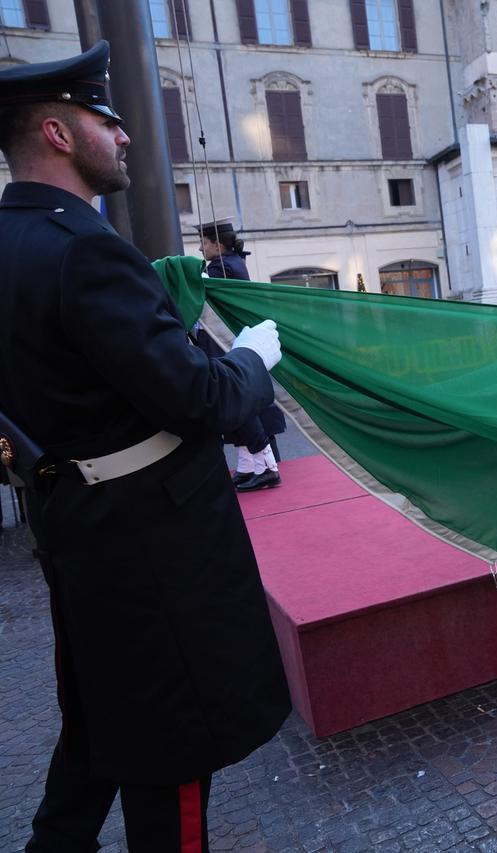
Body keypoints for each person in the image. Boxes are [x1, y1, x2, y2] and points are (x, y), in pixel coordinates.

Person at [0, 42, 291, 850]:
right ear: (59, 133)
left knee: (99, 724)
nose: (125, 137)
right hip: (150, 551)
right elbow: (200, 401)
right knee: (170, 754)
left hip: (75, 529)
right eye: (108, 120)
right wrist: (249, 363)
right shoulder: (86, 248)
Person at [197, 219, 286, 490]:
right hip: (230, 341)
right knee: (234, 405)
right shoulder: (233, 263)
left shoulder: (221, 268)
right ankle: (250, 466)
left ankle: (267, 466)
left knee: (236, 404)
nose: (201, 248)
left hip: (224, 342)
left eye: (204, 243)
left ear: (218, 244)